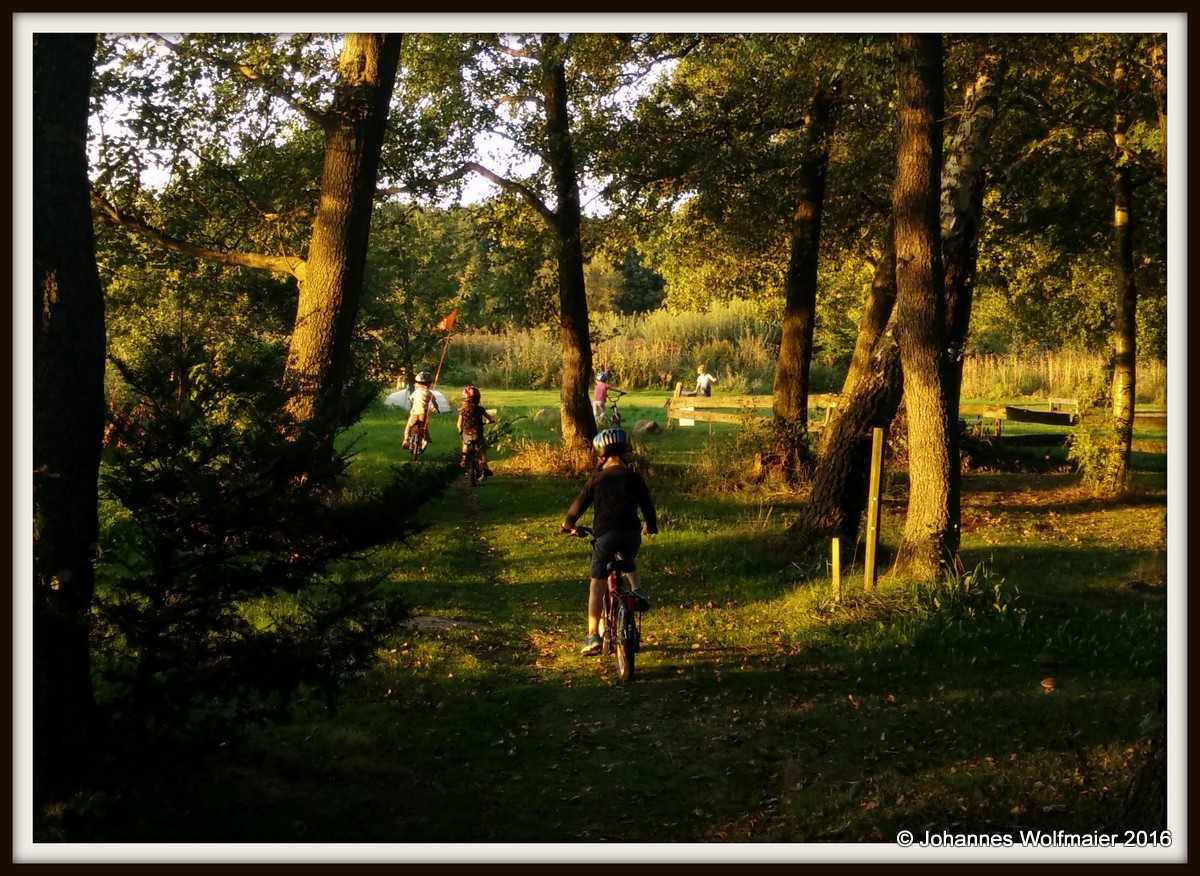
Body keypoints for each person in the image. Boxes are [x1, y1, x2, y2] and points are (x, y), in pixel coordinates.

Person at [561, 427, 658, 656]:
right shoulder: (634, 477)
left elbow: (578, 506)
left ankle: (593, 635)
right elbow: (647, 507)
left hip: (605, 536)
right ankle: (638, 591)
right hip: (630, 535)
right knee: (628, 558)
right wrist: (650, 526)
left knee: (597, 583)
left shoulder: (596, 480)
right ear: (625, 453)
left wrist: (568, 526)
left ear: (601, 456)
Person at [456, 384, 495, 478]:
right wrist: (488, 422)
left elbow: (459, 424)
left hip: (467, 434)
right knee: (482, 451)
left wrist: (460, 430)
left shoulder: (463, 410)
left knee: (465, 445)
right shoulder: (480, 409)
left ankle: (464, 458)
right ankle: (485, 466)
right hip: (477, 434)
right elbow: (489, 419)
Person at [402, 371, 437, 448]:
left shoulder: (416, 392)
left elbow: (410, 398)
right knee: (424, 427)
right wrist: (436, 409)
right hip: (423, 414)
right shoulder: (429, 393)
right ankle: (426, 438)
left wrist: (412, 400)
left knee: (409, 426)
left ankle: (406, 439)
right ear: (429, 384)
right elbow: (434, 402)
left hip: (414, 414)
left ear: (417, 383)